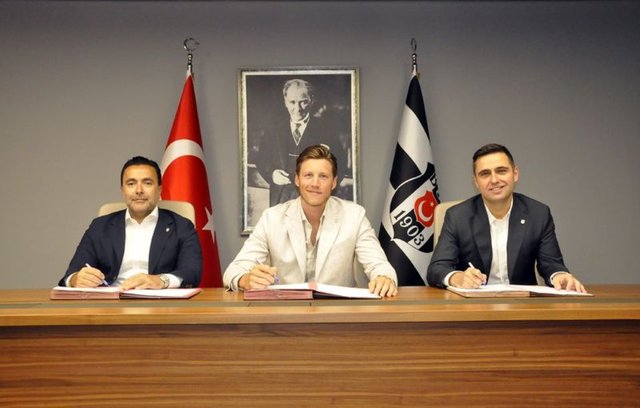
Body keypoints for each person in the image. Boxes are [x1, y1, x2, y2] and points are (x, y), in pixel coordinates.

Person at [225, 144, 397, 297]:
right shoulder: (271, 218)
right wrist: (245, 279)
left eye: (323, 176)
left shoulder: (355, 216)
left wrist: (384, 278)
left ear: (334, 182)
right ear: (297, 179)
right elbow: (233, 270)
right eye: (308, 175)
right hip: (285, 314)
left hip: (338, 314)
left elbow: (379, 265)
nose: (315, 183)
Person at [427, 143, 586, 292]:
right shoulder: (458, 216)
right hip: (474, 305)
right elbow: (437, 268)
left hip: (522, 304)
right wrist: (457, 278)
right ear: (475, 181)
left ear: (515, 174)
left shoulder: (538, 214)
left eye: (501, 171)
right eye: (485, 174)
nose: (494, 180)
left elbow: (551, 263)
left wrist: (559, 276)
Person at [59, 156, 202, 289]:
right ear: (123, 190)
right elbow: (72, 272)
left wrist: (161, 280)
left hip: (160, 302)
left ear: (159, 189)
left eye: (147, 183)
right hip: (110, 302)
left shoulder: (182, 226)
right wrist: (75, 279)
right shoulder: (100, 227)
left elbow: (192, 272)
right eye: (131, 183)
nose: (139, 190)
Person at [256, 78, 351, 206]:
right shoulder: (273, 130)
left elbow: (341, 165)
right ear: (285, 101)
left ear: (311, 101)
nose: (297, 108)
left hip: (314, 201)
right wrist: (272, 174)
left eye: (303, 102)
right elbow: (261, 159)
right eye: (292, 102)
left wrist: (323, 187)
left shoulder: (327, 131)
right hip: (280, 199)